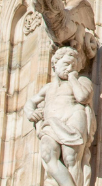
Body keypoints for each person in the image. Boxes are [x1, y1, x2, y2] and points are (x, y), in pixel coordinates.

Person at [27, 45, 93, 186]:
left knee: (71, 159)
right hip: (51, 123)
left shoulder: (82, 81)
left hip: (73, 117)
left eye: (73, 66)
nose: (69, 68)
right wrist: (31, 113)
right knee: (47, 154)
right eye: (66, 64)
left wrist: (73, 78)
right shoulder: (48, 88)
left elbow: (83, 97)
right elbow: (30, 103)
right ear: (55, 64)